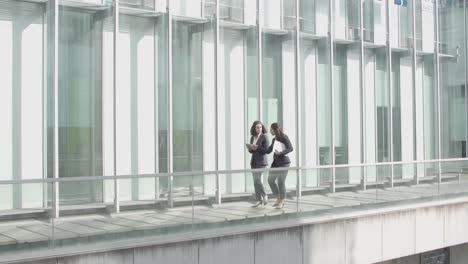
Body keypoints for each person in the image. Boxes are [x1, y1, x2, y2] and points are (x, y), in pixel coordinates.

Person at [265, 123, 293, 209]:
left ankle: (282, 201)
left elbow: (290, 148)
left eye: (271, 129)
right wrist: (257, 148)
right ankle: (278, 198)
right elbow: (268, 150)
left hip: (284, 163)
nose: (270, 131)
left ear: (274, 129)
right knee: (270, 180)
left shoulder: (284, 137)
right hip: (276, 163)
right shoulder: (274, 139)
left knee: (281, 182)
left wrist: (280, 153)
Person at [246, 121, 269, 207]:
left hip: (261, 162)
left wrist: (257, 147)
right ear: (254, 129)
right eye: (257, 127)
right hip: (254, 162)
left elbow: (266, 150)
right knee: (255, 181)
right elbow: (251, 152)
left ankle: (265, 195)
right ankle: (259, 200)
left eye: (260, 127)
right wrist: (250, 148)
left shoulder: (264, 137)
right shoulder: (253, 137)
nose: (259, 129)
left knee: (257, 179)